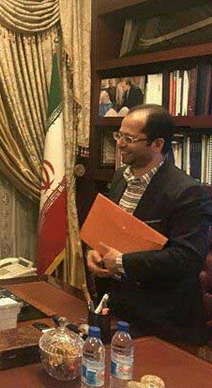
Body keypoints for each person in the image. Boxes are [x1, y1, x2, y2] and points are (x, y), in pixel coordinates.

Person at [86, 104, 212, 344]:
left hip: (163, 319)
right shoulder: (120, 177)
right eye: (119, 135)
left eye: (129, 139)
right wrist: (96, 252)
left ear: (157, 144)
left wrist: (122, 262)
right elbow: (114, 231)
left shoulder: (188, 192)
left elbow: (187, 258)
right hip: (119, 306)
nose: (119, 144)